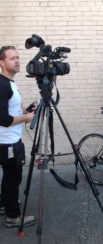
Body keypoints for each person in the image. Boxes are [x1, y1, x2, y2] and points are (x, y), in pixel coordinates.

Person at [0, 46, 36, 228]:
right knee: (13, 179)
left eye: (18, 57)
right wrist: (26, 118)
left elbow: (11, 110)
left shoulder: (10, 82)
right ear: (2, 62)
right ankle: (13, 216)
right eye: (12, 58)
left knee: (9, 177)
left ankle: (5, 204)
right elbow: (3, 119)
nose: (17, 61)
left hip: (11, 141)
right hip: (7, 143)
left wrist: (26, 110)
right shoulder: (2, 84)